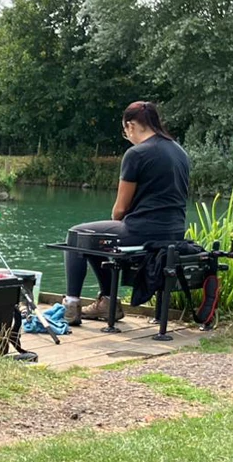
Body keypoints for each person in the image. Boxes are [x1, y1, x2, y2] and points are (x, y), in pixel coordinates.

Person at [62, 101, 191, 326]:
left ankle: (72, 305)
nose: (127, 136)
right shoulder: (179, 151)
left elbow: (119, 210)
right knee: (94, 237)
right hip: (175, 231)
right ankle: (106, 302)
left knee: (77, 234)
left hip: (143, 231)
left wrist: (118, 220)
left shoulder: (136, 154)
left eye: (125, 131)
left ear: (131, 125)